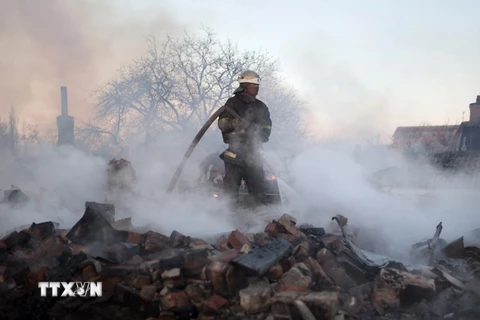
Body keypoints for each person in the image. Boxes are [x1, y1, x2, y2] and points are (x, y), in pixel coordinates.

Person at [217, 70, 272, 208]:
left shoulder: (261, 107)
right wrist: (236, 123)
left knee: (258, 191)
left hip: (254, 156)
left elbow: (266, 131)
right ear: (245, 85)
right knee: (229, 192)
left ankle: (260, 221)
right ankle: (226, 219)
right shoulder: (232, 103)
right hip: (235, 156)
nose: (257, 88)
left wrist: (256, 131)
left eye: (258, 85)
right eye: (254, 85)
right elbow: (222, 124)